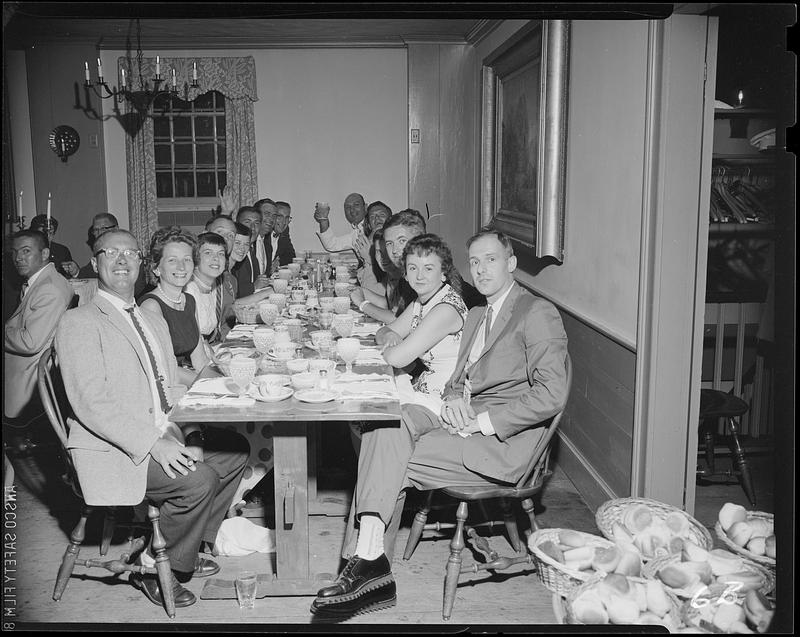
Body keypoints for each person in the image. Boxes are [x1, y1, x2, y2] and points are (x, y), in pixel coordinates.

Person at [311, 228, 569, 617]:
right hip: (458, 423)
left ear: (512, 264)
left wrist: (482, 420)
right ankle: (370, 567)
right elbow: (457, 376)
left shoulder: (536, 312)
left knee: (383, 454)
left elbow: (552, 394)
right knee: (387, 428)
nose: (481, 269)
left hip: (502, 446)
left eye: (491, 260)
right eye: (476, 261)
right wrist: (451, 397)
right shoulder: (479, 312)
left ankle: (366, 568)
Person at [55, 228, 249, 609]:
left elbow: (165, 387)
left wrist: (209, 409)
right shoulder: (79, 322)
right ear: (95, 263)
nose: (123, 261)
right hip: (113, 448)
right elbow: (91, 404)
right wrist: (155, 443)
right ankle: (155, 568)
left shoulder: (147, 318)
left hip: (159, 428)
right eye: (112, 254)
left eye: (130, 253)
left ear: (141, 263)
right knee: (199, 480)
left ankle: (187, 548)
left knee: (236, 453)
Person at [375, 234, 468, 414]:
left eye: (428, 269)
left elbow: (396, 358)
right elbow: (384, 331)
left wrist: (391, 344)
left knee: (376, 411)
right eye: (412, 268)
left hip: (445, 401)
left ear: (443, 274)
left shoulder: (445, 309)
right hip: (423, 388)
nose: (419, 276)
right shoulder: (422, 300)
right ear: (406, 274)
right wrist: (389, 336)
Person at [4, 229, 75, 423]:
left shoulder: (50, 288)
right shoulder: (39, 281)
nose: (18, 258)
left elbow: (29, 343)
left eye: (26, 251)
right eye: (15, 252)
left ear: (44, 254)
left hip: (29, 381)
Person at [139, 227, 210, 387]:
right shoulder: (151, 306)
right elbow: (163, 368)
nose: (181, 267)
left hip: (187, 383)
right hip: (163, 388)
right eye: (172, 260)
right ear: (156, 268)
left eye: (187, 259)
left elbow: (199, 359)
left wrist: (222, 378)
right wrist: (206, 384)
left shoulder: (189, 301)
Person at [76, 213, 149, 298]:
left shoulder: (134, 254)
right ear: (95, 264)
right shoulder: (99, 254)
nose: (99, 233)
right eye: (96, 230)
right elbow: (85, 275)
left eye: (103, 228)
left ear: (116, 228)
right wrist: (76, 272)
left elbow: (138, 287)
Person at [183, 232, 236, 344]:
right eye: (208, 253)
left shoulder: (212, 286)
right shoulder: (188, 291)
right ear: (195, 257)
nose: (216, 258)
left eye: (221, 254)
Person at [29, 214, 80, 278]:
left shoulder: (62, 251)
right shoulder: (27, 252)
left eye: (50, 233)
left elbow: (69, 277)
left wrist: (73, 271)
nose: (47, 237)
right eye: (43, 233)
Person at [267, 201, 297, 273]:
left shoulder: (285, 230)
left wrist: (278, 263)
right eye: (279, 217)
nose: (284, 222)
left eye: (287, 218)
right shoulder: (264, 232)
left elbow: (290, 255)